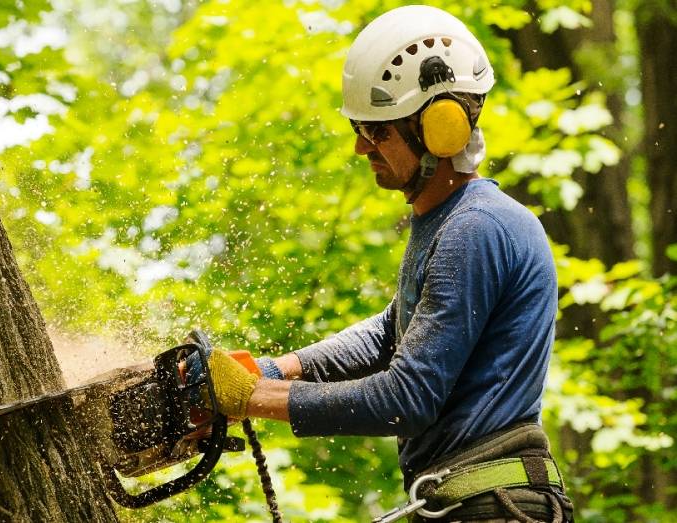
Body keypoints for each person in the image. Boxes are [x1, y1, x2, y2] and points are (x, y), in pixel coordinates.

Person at [201, 5, 574, 522]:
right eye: (360, 128)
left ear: (440, 130)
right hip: (469, 503)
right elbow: (387, 333)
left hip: (494, 508)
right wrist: (270, 370)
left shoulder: (477, 228)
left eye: (378, 132)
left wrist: (255, 397)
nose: (361, 147)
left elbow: (408, 396)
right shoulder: (450, 223)